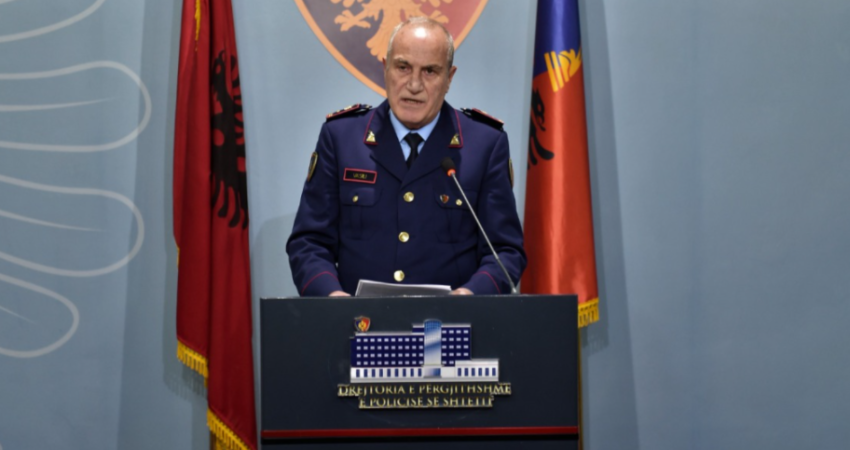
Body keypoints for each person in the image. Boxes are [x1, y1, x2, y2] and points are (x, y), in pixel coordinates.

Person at [287, 17, 526, 297]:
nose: (414, 84)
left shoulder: (485, 145)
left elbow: (505, 252)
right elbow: (309, 243)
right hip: (358, 320)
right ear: (385, 68)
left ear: (449, 78)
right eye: (403, 67)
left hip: (451, 321)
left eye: (430, 71)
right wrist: (332, 299)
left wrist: (469, 297)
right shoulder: (341, 138)